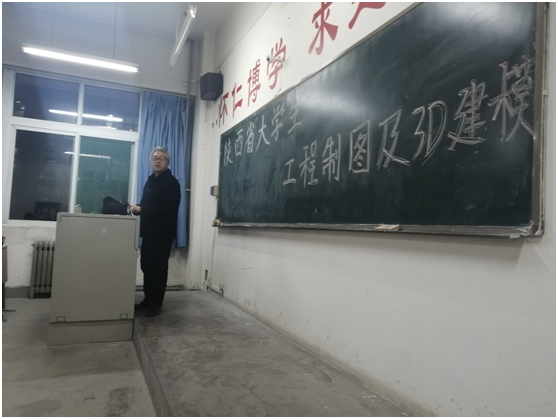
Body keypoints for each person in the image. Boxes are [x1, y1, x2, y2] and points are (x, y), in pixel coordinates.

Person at [130, 146, 180, 317]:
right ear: (151, 161)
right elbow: (147, 204)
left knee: (158, 268)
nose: (158, 161)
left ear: (168, 162)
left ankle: (156, 304)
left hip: (163, 233)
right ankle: (147, 300)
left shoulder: (171, 183)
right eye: (155, 158)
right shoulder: (150, 181)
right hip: (149, 232)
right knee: (146, 266)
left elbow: (166, 207)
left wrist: (142, 209)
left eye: (162, 158)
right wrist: (136, 208)